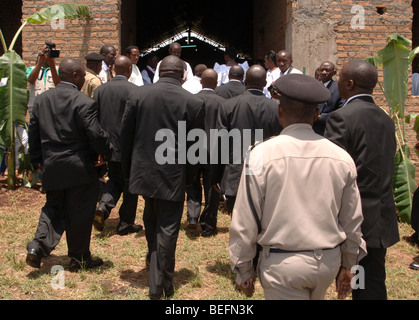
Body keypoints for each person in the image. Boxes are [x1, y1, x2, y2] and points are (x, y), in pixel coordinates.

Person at [229, 73, 366, 300]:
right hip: (327, 263)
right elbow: (352, 220)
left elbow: (245, 219)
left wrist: (243, 269)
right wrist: (350, 265)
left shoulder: (259, 155)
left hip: (283, 265)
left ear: (280, 111)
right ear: (316, 115)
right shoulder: (341, 158)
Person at [120, 55, 205, 299]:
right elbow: (195, 146)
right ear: (183, 75)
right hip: (173, 172)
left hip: (144, 171)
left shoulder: (138, 95)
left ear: (159, 72)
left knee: (151, 214)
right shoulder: (193, 102)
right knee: (167, 226)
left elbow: (126, 137)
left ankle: (157, 267)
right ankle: (159, 283)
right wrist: (189, 179)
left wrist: (127, 173)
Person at [25, 58, 113, 272]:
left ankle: (37, 247)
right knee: (81, 212)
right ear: (75, 76)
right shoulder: (84, 102)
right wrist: (106, 152)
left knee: (53, 207)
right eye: (83, 75)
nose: (84, 78)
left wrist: (36, 160)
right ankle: (79, 259)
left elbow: (33, 133)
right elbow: (95, 134)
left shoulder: (42, 100)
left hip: (52, 166)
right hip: (79, 168)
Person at [324, 59, 400, 299]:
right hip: (382, 217)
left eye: (339, 80)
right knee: (372, 279)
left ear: (349, 84)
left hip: (354, 219)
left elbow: (334, 172)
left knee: (354, 277)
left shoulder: (341, 118)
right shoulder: (386, 119)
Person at [213, 65, 282, 214]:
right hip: (267, 175)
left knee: (239, 223)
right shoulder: (276, 109)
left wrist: (216, 177)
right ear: (265, 84)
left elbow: (220, 144)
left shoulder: (228, 106)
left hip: (235, 175)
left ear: (245, 80)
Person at [93, 56, 143, 236]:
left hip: (107, 146)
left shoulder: (100, 91)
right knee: (130, 184)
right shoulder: (136, 91)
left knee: (114, 179)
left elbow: (95, 121)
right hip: (129, 148)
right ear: (129, 70)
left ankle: (104, 207)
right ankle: (125, 224)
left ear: (113, 69)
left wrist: (99, 148)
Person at [186, 68, 225, 236]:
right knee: (212, 188)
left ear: (200, 81)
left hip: (193, 148)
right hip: (214, 151)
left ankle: (193, 216)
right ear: (216, 84)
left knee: (192, 183)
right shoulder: (224, 103)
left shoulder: (190, 100)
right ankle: (208, 225)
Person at [313, 61, 345, 136]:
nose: (324, 72)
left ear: (334, 73)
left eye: (327, 70)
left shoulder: (338, 89)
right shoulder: (313, 87)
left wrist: (322, 117)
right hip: (312, 130)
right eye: (322, 70)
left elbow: (341, 110)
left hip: (328, 130)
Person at [27, 43, 60, 116]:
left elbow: (58, 84)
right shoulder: (31, 69)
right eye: (45, 52)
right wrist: (40, 62)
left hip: (52, 108)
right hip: (36, 108)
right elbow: (31, 80)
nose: (47, 55)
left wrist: (52, 66)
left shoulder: (58, 70)